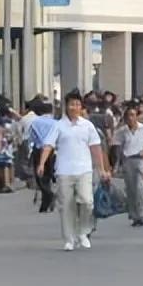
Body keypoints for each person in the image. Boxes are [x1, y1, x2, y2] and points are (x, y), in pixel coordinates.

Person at [36, 91, 111, 252]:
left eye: (77, 104)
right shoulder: (59, 125)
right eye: (71, 104)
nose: (74, 107)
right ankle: (69, 239)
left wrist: (102, 169)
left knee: (87, 201)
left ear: (81, 106)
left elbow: (96, 148)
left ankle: (83, 231)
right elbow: (48, 145)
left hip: (84, 169)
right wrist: (42, 163)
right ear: (66, 106)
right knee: (66, 206)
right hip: (64, 170)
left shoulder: (87, 126)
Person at [113, 106, 143, 228]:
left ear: (137, 116)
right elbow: (117, 148)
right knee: (130, 189)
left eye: (133, 115)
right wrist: (116, 164)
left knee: (140, 187)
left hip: (141, 160)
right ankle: (134, 215)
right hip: (128, 160)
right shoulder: (121, 131)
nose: (131, 118)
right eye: (128, 115)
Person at [26, 100, 58, 213]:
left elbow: (31, 137)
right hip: (52, 151)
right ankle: (45, 204)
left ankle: (49, 195)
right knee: (48, 176)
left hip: (39, 150)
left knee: (40, 176)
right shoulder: (55, 123)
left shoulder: (35, 122)